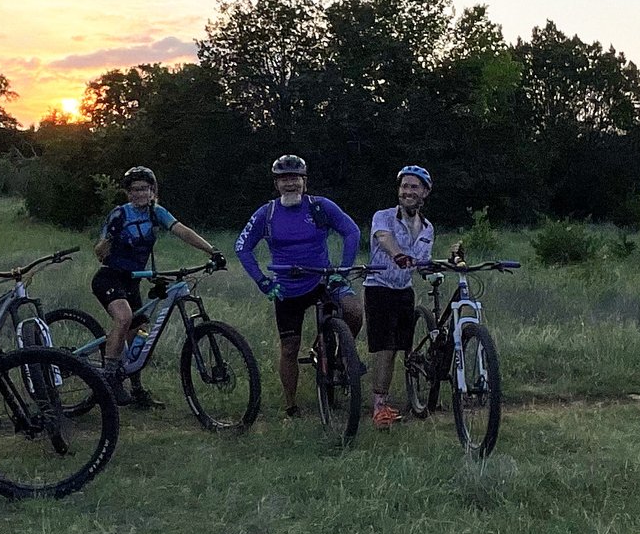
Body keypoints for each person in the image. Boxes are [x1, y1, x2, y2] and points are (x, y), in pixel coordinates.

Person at [235, 154, 365, 419]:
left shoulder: (320, 206)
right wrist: (262, 282)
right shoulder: (266, 214)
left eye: (295, 178)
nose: (290, 184)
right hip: (287, 287)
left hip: (322, 279)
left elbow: (352, 231)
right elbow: (242, 246)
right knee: (290, 348)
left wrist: (343, 270)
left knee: (353, 310)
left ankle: (338, 354)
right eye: (284, 179)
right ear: (276, 184)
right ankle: (291, 405)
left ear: (305, 182)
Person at [91, 165, 225, 406]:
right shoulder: (120, 214)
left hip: (133, 280)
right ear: (128, 193)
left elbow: (182, 231)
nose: (140, 194)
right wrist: (111, 238)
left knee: (139, 336)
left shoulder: (156, 213)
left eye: (144, 189)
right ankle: (109, 380)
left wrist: (212, 250)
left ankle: (136, 389)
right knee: (124, 318)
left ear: (152, 190)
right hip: (110, 277)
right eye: (134, 190)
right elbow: (100, 253)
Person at [362, 164, 435, 429]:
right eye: (404, 186)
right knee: (386, 348)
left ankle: (411, 398)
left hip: (405, 289)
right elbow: (384, 239)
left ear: (425, 192)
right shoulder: (383, 216)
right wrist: (398, 255)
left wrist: (443, 265)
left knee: (405, 347)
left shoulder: (427, 228)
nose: (407, 192)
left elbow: (423, 263)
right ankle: (379, 406)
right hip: (379, 287)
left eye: (414, 187)